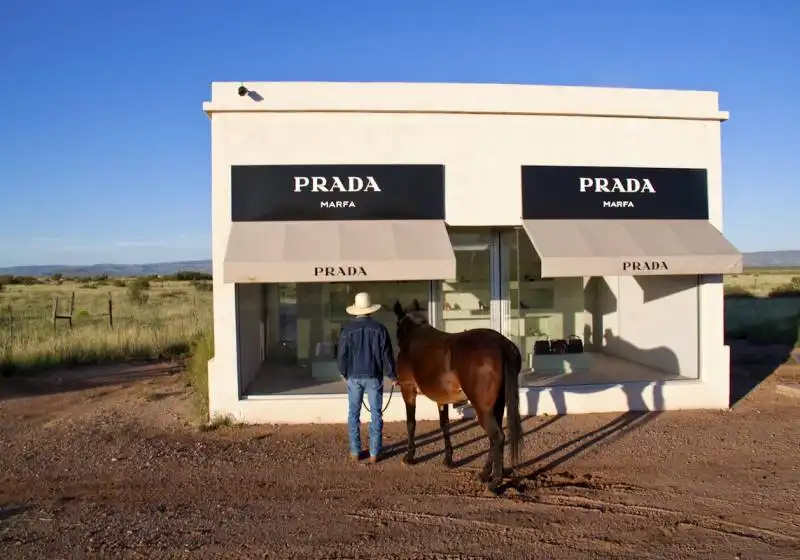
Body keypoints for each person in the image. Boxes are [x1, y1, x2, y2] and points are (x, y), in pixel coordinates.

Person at [337, 291, 398, 463]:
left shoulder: (347, 330)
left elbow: (342, 355)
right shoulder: (380, 329)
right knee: (376, 413)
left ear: (355, 311)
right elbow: (387, 355)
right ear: (371, 310)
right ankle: (374, 452)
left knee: (353, 414)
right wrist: (393, 375)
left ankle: (355, 451)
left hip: (354, 376)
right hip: (374, 375)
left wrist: (343, 372)